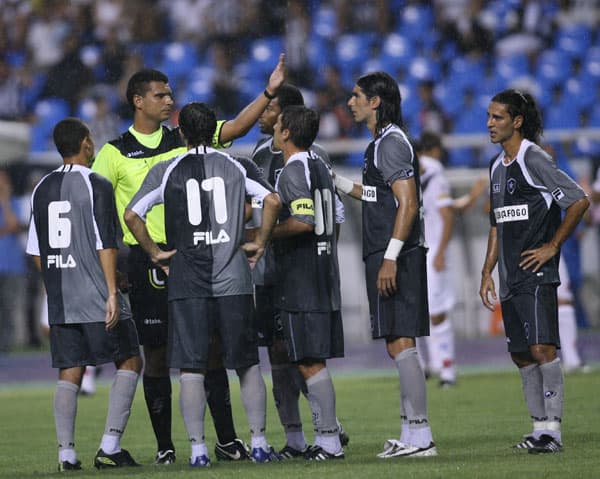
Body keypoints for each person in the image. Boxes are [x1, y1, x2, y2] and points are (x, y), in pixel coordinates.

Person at [92, 54, 286, 464]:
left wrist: (268, 93)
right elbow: (100, 212)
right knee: (161, 354)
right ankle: (168, 446)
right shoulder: (113, 152)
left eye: (171, 95)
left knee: (203, 354)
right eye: (160, 95)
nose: (168, 101)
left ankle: (220, 441)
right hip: (153, 267)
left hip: (183, 262)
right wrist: (124, 262)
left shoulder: (177, 148)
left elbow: (235, 127)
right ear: (138, 101)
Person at [25, 118, 143, 471]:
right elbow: (105, 244)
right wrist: (110, 290)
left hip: (62, 298)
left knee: (70, 371)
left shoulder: (41, 187)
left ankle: (66, 455)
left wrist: (66, 276)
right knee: (130, 360)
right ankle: (110, 446)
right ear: (86, 143)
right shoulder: (96, 184)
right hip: (96, 295)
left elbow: (36, 252)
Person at [479, 89, 589, 454]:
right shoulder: (496, 167)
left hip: (537, 273)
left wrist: (552, 246)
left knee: (542, 349)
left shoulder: (534, 158)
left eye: (498, 117)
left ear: (517, 121)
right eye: (490, 116)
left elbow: (577, 199)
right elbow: (497, 222)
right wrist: (486, 271)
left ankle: (553, 432)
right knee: (522, 355)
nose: (490, 123)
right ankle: (538, 429)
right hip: (511, 276)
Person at [334, 71, 437, 458]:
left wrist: (391, 257)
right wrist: (338, 183)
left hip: (396, 253)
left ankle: (421, 436)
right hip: (387, 251)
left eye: (357, 95)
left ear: (376, 101)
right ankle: (411, 435)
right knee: (397, 343)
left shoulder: (391, 142)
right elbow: (381, 195)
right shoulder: (379, 143)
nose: (350, 102)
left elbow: (407, 202)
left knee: (401, 341)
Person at [251, 84, 348, 457]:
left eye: (268, 107)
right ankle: (295, 437)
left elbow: (317, 218)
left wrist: (266, 236)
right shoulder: (262, 155)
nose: (262, 113)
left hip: (297, 270)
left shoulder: (309, 158)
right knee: (282, 353)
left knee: (307, 356)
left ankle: (327, 432)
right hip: (277, 273)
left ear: (285, 120)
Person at [416, 131, 457, 387]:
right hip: (412, 253)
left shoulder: (433, 173)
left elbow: (447, 214)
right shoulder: (401, 173)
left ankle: (447, 370)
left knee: (436, 312)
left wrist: (440, 251)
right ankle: (424, 367)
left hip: (432, 253)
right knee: (415, 314)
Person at [0, 169, 27, 355]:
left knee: (10, 307)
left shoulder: (15, 203)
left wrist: (5, 201)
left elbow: (15, 224)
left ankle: (6, 347)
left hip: (12, 265)